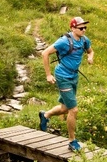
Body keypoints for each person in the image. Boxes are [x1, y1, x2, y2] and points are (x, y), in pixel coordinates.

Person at [38, 16, 94, 151]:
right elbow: (45, 53)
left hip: (74, 76)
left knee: (64, 109)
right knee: (73, 110)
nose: (84, 30)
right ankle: (72, 141)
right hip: (63, 76)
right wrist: (48, 75)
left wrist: (90, 57)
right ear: (73, 28)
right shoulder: (64, 41)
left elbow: (91, 51)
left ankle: (45, 115)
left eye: (85, 27)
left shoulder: (84, 40)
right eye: (81, 28)